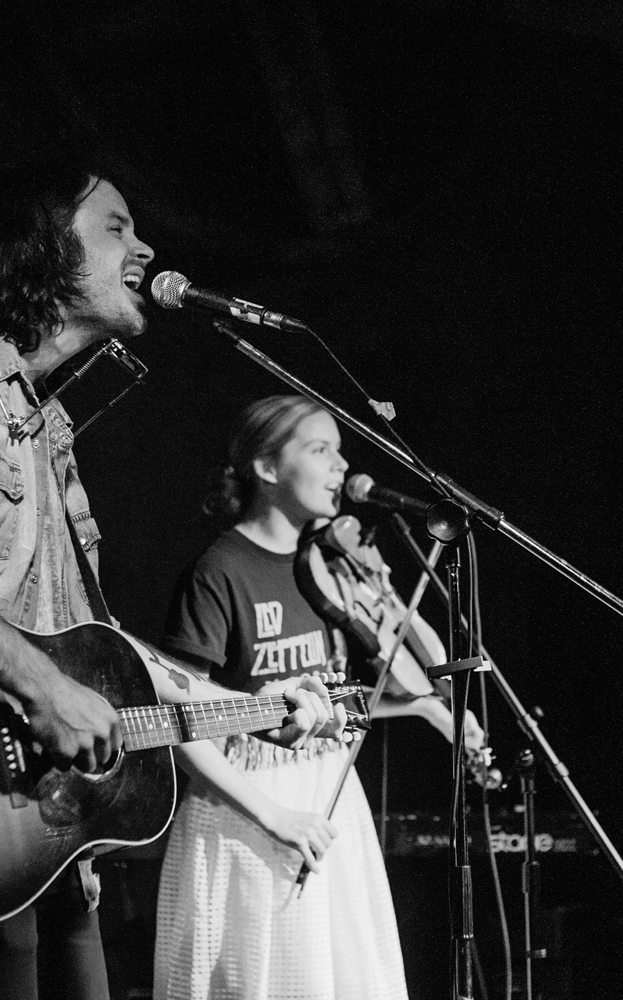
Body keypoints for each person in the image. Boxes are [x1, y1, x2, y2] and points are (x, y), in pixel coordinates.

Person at [0, 160, 344, 1000]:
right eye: (115, 226)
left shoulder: (48, 423)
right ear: (39, 246)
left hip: (40, 823)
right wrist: (38, 688)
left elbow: (85, 642)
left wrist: (246, 711)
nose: (145, 246)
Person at [153, 394, 483, 1000]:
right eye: (320, 449)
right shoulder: (220, 570)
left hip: (331, 806)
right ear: (268, 467)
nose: (340, 466)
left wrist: (428, 707)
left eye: (339, 450)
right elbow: (181, 722)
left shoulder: (325, 568)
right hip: (247, 808)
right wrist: (274, 816)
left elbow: (333, 703)